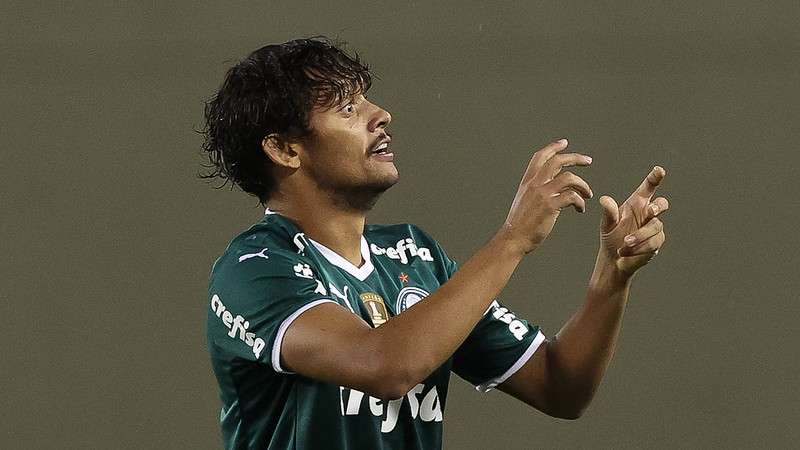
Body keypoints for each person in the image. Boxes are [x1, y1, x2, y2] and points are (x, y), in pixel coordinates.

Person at [201, 36, 669, 450]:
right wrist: (513, 239)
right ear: (284, 149)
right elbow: (385, 366)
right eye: (347, 109)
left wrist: (612, 276)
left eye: (366, 101)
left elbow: (558, 386)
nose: (381, 115)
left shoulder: (413, 255)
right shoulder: (254, 268)